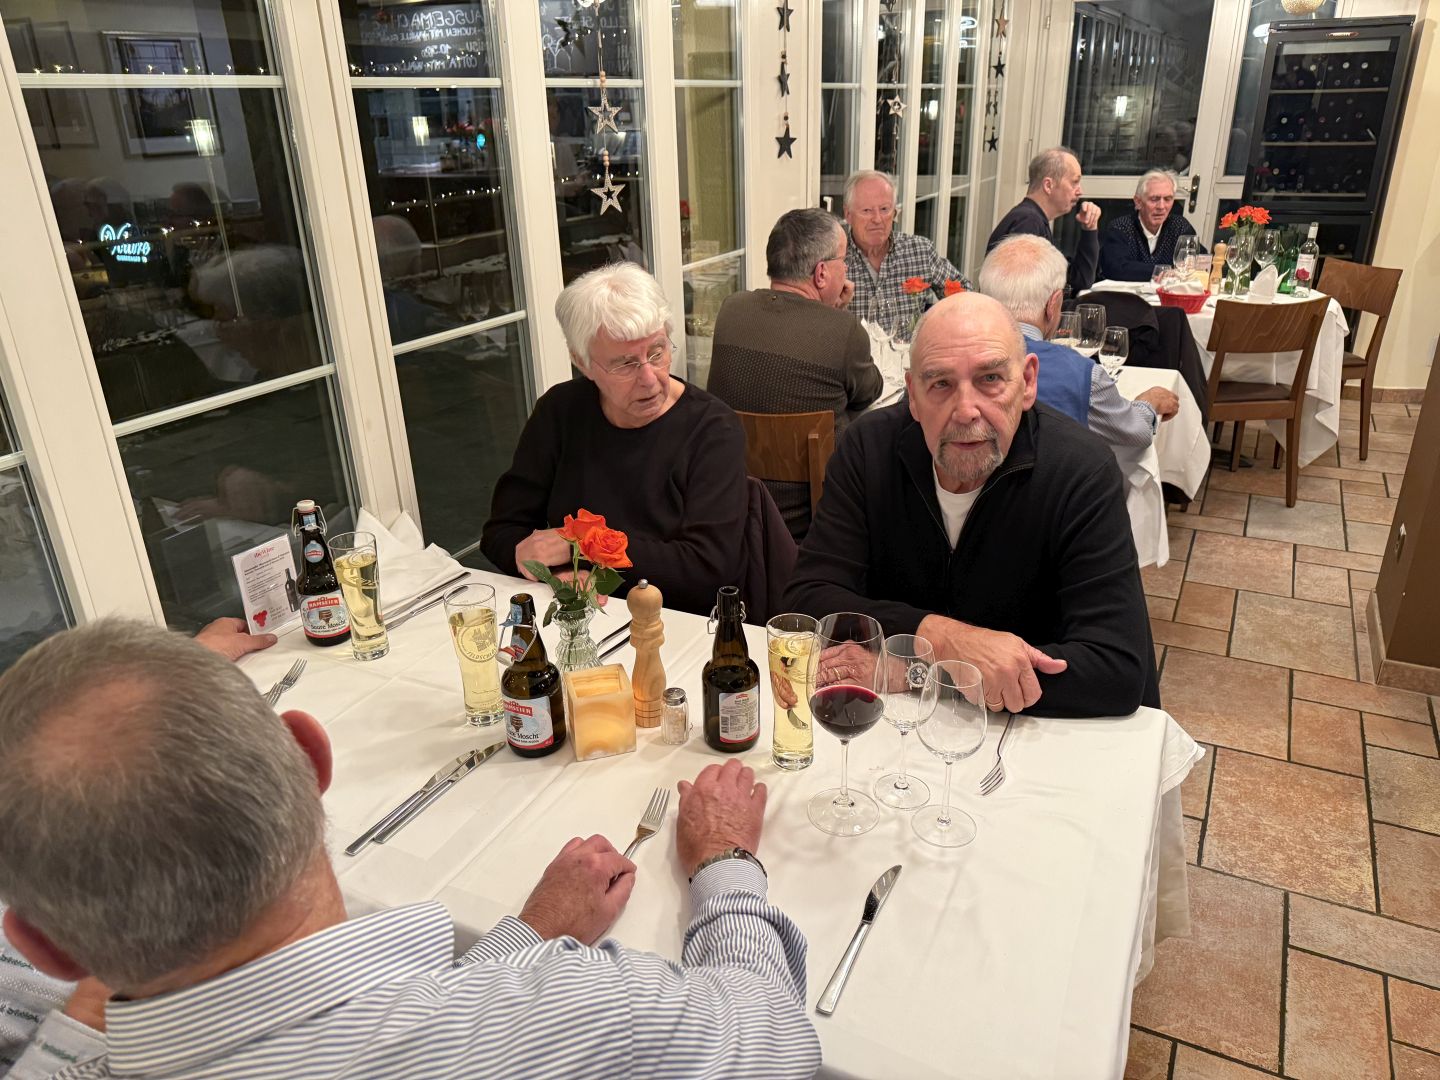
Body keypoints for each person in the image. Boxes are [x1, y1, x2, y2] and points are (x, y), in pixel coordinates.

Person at [0, 621, 820, 1079]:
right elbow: (778, 1037)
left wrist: (528, 936)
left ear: (41, 946)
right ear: (311, 758)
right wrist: (723, 862)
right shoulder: (590, 1014)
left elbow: (386, 1020)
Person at [782, 292, 1159, 719]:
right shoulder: (868, 449)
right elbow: (808, 599)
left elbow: (1116, 669)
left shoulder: (1081, 471)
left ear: (1028, 382)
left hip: (1033, 738)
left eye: (990, 379)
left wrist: (916, 670)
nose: (966, 411)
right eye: (941, 384)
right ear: (912, 395)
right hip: (898, 732)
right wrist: (940, 638)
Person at [481, 263, 748, 616]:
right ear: (582, 362)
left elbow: (709, 569)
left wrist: (586, 546)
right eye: (625, 364)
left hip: (674, 622)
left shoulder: (712, 429)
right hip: (580, 617)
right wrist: (557, 576)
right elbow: (501, 532)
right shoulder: (560, 412)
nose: (650, 379)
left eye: (657, 352)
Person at [706, 209, 883, 539]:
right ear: (821, 273)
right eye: (843, 260)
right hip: (811, 522)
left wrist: (829, 315)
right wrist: (837, 317)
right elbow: (870, 392)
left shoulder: (731, 308)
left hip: (733, 507)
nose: (847, 269)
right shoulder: (843, 331)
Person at [979, 236, 1179, 456]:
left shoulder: (956, 361)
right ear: (1053, 304)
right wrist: (1148, 403)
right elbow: (1136, 434)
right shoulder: (1082, 375)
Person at [842, 171, 974, 340]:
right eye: (867, 210)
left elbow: (964, 295)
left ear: (894, 213)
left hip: (908, 356)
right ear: (848, 215)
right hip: (853, 356)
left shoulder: (919, 251)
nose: (877, 219)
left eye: (884, 209)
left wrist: (937, 328)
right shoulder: (834, 259)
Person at [986, 147, 1100, 296]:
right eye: (1074, 182)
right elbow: (1021, 296)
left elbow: (1079, 280)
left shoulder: (1034, 220)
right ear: (1048, 185)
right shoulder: (1028, 222)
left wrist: (1089, 228)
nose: (1080, 191)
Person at [1098, 170, 1205, 282]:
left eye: (1167, 199)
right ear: (1138, 202)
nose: (1161, 206)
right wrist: (1162, 271)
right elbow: (1116, 268)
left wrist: (1190, 265)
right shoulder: (1120, 227)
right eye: (1154, 199)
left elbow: (1202, 260)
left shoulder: (1179, 226)